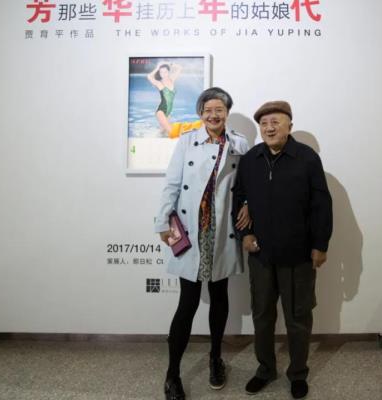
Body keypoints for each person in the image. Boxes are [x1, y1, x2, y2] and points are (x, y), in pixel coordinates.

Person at [154, 87, 251, 400]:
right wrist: (162, 221)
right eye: (208, 110)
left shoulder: (239, 143)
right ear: (200, 114)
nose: (213, 115)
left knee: (220, 297)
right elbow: (172, 184)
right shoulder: (187, 141)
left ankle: (215, 359)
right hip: (192, 229)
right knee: (188, 303)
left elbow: (248, 183)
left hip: (222, 231)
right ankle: (172, 374)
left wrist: (248, 204)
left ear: (227, 112)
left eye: (219, 109)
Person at [233, 101, 333, 399]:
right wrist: (245, 234)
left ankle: (298, 373)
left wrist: (320, 244)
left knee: (298, 317)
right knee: (262, 315)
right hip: (261, 255)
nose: (269, 128)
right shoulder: (251, 159)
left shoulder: (307, 158)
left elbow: (321, 204)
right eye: (264, 123)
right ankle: (265, 369)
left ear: (290, 125)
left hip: (298, 255)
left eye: (275, 122)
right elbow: (239, 197)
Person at [148, 62, 182, 136]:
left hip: (168, 112)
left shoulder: (172, 80)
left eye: (165, 72)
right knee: (172, 132)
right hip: (161, 111)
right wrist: (157, 67)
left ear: (168, 72)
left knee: (163, 133)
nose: (163, 74)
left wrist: (169, 64)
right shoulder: (159, 83)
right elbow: (149, 76)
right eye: (161, 72)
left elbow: (180, 68)